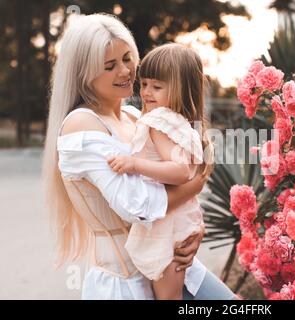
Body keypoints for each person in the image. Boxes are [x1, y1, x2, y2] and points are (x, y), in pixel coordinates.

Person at [42, 13, 236, 300]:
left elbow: (175, 176)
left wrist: (193, 228)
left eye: (127, 58)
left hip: (173, 263)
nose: (125, 71)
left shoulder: (136, 116)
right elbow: (136, 206)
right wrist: (195, 182)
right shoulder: (80, 125)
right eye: (110, 66)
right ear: (84, 74)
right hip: (127, 283)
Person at [107, 43, 214, 300]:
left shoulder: (159, 121)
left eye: (157, 86)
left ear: (181, 89)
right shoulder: (179, 122)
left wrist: (134, 164)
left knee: (169, 297)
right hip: (178, 219)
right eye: (144, 84)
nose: (146, 93)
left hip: (168, 226)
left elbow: (179, 172)